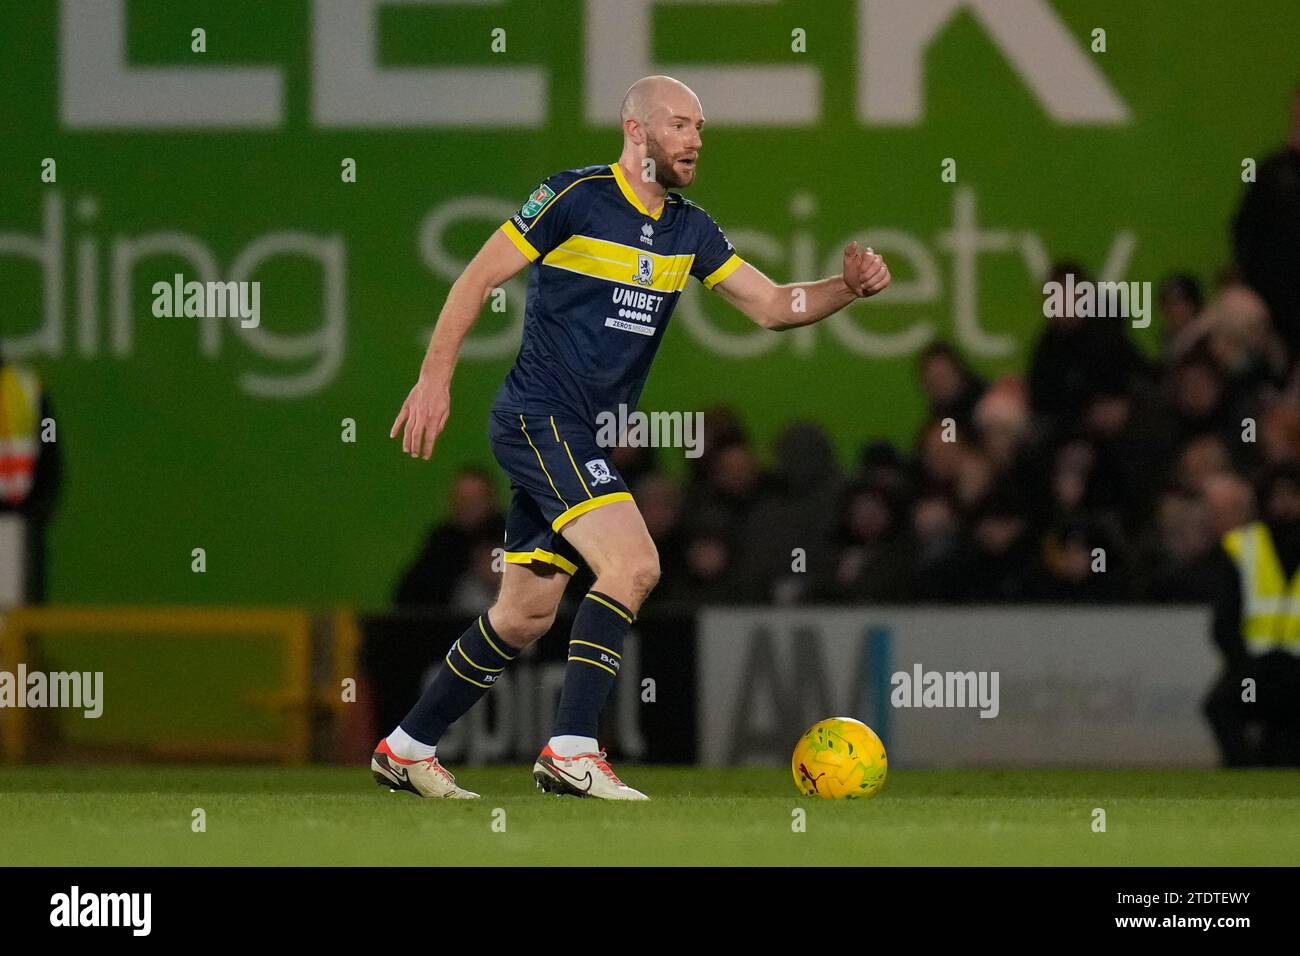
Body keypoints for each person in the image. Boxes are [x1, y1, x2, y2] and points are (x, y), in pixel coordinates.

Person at [377, 75, 892, 800]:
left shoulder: (691, 229)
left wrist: (846, 289)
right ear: (635, 130)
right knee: (634, 564)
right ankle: (573, 749)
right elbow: (476, 278)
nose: (695, 141)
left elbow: (774, 305)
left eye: (701, 129)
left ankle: (406, 747)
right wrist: (435, 379)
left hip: (578, 433)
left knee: (524, 614)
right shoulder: (572, 197)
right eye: (680, 126)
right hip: (540, 417)